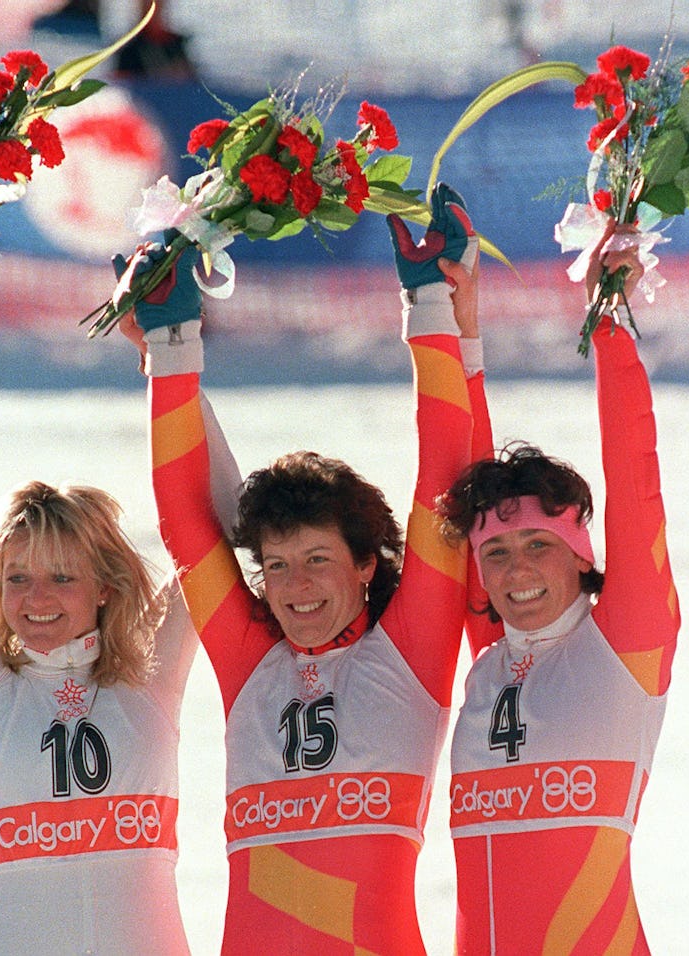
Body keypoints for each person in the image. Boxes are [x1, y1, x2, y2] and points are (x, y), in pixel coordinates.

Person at [118, 183, 492, 954]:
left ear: (365, 566)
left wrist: (429, 307)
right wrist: (171, 347)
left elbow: (444, 486)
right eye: (279, 565)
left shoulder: (410, 652)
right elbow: (188, 528)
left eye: (318, 560)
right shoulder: (250, 661)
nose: (295, 586)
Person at [0, 295, 240, 954]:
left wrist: (170, 362)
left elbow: (222, 524)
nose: (36, 599)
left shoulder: (149, 677)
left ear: (105, 587)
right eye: (17, 578)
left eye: (61, 577)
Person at [438, 225, 680, 953]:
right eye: (497, 553)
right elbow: (463, 489)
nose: (516, 572)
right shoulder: (494, 653)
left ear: (580, 556)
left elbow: (635, 477)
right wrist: (462, 336)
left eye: (539, 546)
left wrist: (607, 324)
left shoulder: (626, 642)